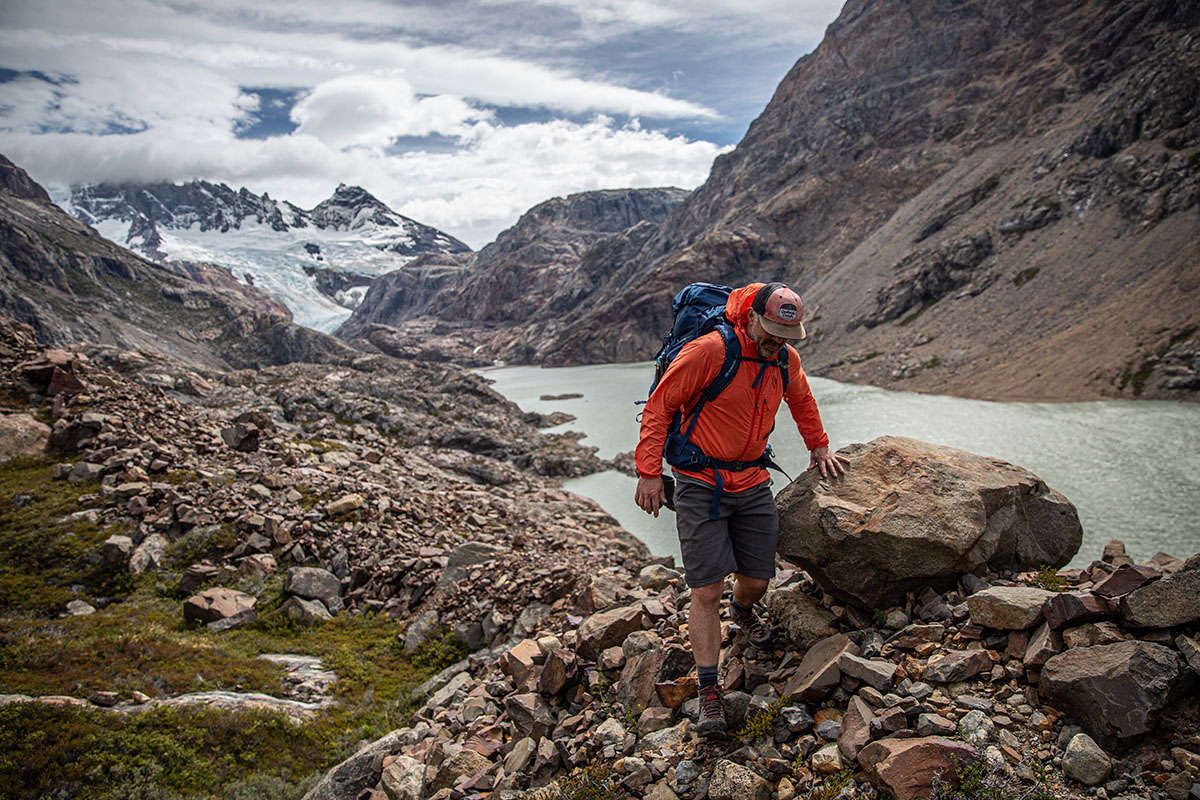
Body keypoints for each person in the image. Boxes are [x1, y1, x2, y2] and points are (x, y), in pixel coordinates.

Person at [633, 282, 847, 738]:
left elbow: (802, 401)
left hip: (751, 480)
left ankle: (743, 610)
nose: (776, 343)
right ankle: (710, 691)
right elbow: (659, 407)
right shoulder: (708, 352)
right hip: (699, 482)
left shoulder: (785, 359)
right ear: (750, 316)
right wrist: (649, 471)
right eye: (770, 332)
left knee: (756, 580)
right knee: (705, 590)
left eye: (785, 335)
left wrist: (820, 447)